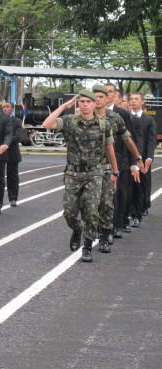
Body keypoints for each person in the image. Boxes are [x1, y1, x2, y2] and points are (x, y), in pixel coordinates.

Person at [43, 89, 119, 262]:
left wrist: (115, 172)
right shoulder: (70, 121)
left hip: (95, 173)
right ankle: (77, 229)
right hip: (73, 173)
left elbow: (110, 149)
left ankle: (87, 247)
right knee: (69, 211)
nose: (84, 104)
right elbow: (47, 124)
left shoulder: (103, 124)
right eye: (82, 102)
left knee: (91, 211)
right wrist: (63, 106)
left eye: (88, 102)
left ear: (94, 104)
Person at [92, 84, 142, 252]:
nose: (104, 96)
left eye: (109, 92)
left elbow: (130, 139)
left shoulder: (122, 114)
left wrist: (134, 162)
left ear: (112, 96)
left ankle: (116, 226)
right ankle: (102, 227)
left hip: (119, 162)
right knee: (99, 199)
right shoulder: (89, 114)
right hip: (97, 164)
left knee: (117, 196)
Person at [129, 92, 157, 228]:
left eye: (136, 99)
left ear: (142, 103)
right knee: (127, 187)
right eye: (132, 99)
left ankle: (138, 213)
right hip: (128, 159)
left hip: (143, 159)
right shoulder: (126, 117)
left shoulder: (149, 120)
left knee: (141, 186)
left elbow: (151, 141)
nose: (133, 101)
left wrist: (149, 157)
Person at [3, 102, 22, 207]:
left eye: (8, 107)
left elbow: (18, 137)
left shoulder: (17, 121)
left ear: (12, 109)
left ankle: (13, 197)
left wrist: (5, 142)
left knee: (12, 176)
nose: (5, 108)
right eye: (4, 107)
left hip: (12, 152)